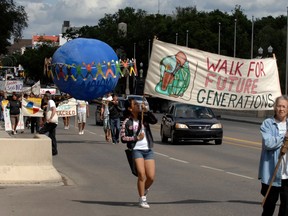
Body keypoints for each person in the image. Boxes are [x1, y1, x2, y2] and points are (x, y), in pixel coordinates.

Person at [120, 98, 157, 209]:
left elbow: (154, 121)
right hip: (136, 150)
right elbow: (123, 138)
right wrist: (136, 138)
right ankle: (142, 199)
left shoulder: (144, 118)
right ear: (130, 108)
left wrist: (147, 111)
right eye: (135, 104)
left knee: (151, 177)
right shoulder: (127, 122)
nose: (138, 105)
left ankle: (144, 190)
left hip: (148, 149)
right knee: (141, 174)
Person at [258, 95, 288, 216]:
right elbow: (268, 143)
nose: (281, 109)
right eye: (279, 106)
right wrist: (283, 137)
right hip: (272, 174)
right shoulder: (268, 124)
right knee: (269, 207)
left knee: (286, 208)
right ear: (275, 108)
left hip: (287, 175)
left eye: (284, 106)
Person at [39, 91, 58, 156]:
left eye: (44, 97)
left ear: (46, 97)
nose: (43, 98)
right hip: (51, 122)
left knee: (41, 132)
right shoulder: (48, 103)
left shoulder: (51, 102)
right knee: (52, 136)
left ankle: (40, 148)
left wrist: (50, 118)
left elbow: (54, 109)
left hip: (51, 122)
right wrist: (44, 122)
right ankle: (54, 151)